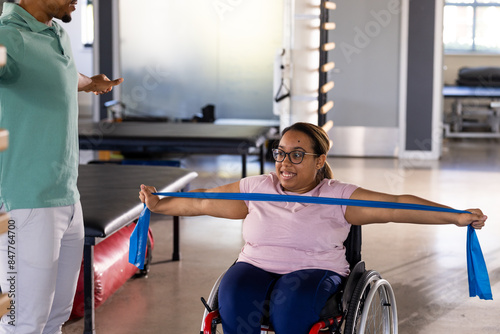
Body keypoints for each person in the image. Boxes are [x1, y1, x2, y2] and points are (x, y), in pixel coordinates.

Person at [139, 122, 487, 334]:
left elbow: (397, 206)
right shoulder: (256, 188)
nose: (284, 163)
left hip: (315, 270)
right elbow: (201, 201)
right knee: (233, 292)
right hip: (255, 265)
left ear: (320, 160)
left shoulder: (339, 196)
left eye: (297, 155)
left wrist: (455, 216)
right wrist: (159, 205)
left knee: (291, 302)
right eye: (280, 153)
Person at [0, 1, 123, 333]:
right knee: (22, 323)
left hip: (68, 199)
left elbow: (56, 74)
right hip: (25, 205)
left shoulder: (57, 32)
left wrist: (87, 81)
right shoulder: (8, 37)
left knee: (56, 318)